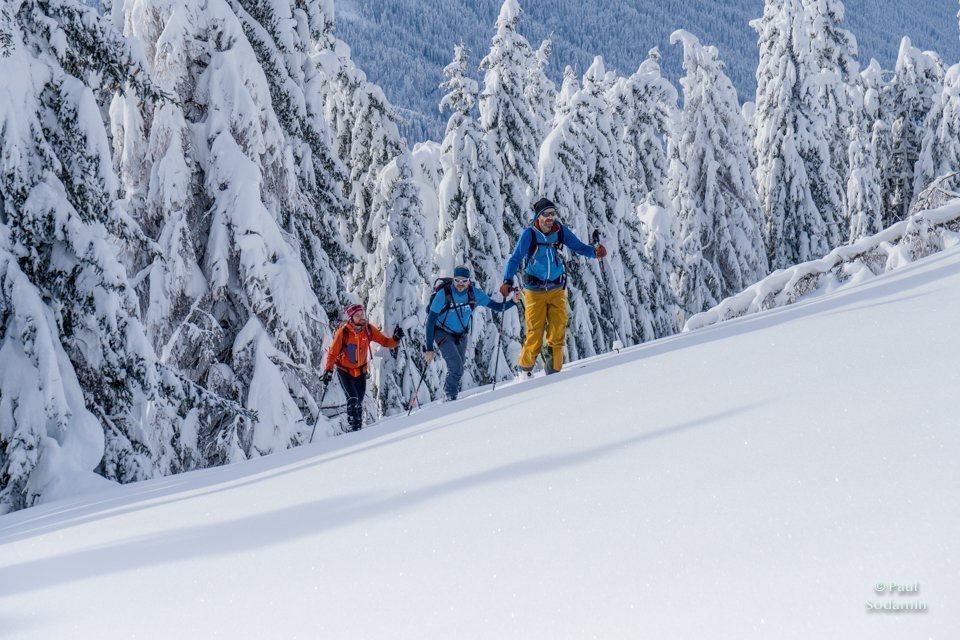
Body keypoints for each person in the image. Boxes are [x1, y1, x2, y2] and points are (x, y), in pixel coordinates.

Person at [499, 197, 606, 376]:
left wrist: (595, 253)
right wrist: (507, 281)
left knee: (558, 332)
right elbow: (515, 258)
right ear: (538, 216)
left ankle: (554, 374)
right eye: (546, 214)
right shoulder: (530, 234)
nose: (550, 218)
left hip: (556, 288)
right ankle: (524, 373)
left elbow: (578, 247)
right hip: (534, 291)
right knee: (534, 333)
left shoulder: (560, 231)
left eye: (552, 214)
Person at [424, 266, 520, 401]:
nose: (461, 284)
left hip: (461, 335)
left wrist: (513, 301)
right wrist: (429, 349)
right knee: (456, 366)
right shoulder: (443, 295)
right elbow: (430, 322)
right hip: (442, 332)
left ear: (469, 281)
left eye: (464, 281)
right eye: (457, 280)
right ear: (453, 280)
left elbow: (497, 307)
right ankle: (450, 396)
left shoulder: (474, 294)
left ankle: (449, 394)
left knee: (459, 366)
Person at [323, 303, 403, 432]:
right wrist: (328, 371)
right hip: (345, 371)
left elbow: (385, 342)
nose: (361, 317)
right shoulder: (343, 333)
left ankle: (357, 430)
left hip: (360, 372)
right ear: (351, 317)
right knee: (353, 399)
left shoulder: (368, 330)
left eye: (362, 314)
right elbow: (332, 353)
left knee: (359, 401)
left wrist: (396, 339)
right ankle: (353, 428)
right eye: (357, 315)